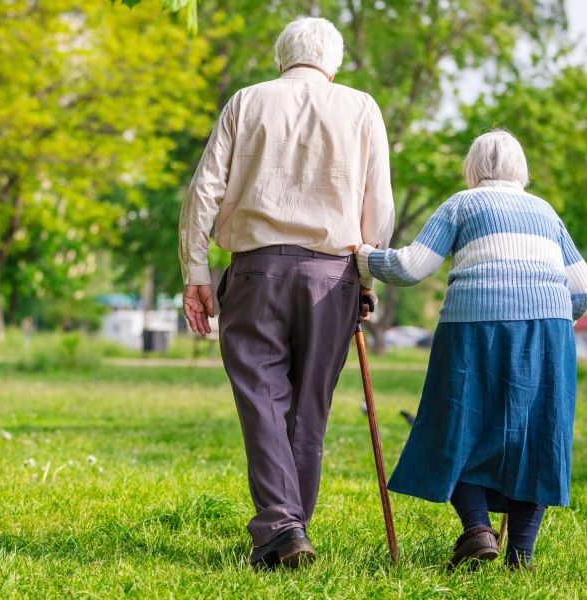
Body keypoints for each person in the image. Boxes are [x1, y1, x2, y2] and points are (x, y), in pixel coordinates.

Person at [179, 16, 395, 569]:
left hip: (256, 272)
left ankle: (282, 527)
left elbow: (204, 191)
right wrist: (366, 281)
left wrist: (196, 270)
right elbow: (379, 206)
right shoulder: (361, 107)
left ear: (282, 57)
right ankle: (289, 527)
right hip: (333, 275)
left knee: (262, 401)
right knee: (309, 411)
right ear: (334, 62)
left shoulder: (247, 101)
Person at [354, 130, 587, 571]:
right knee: (537, 438)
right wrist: (553, 316)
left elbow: (411, 267)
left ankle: (478, 529)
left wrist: (365, 257)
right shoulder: (545, 211)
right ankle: (520, 557)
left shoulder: (462, 204)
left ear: (473, 167)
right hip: (548, 331)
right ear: (520, 169)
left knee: (455, 426)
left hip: (473, 327)